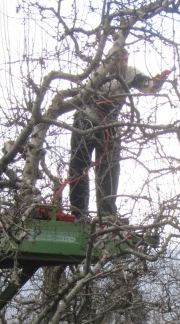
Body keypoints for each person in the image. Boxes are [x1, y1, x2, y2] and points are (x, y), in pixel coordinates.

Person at [67, 49, 170, 220]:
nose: (122, 64)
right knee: (79, 166)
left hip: (110, 124)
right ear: (109, 61)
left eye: (125, 60)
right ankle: (78, 213)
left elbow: (148, 88)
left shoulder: (130, 73)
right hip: (85, 120)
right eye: (118, 60)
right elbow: (82, 96)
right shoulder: (98, 73)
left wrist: (158, 82)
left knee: (110, 169)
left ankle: (106, 215)